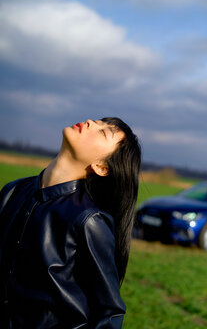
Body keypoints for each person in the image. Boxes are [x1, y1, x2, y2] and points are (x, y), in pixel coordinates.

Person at [0, 117, 141, 329]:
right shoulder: (12, 191)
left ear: (101, 167)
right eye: (98, 121)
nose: (91, 122)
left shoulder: (89, 220)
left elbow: (109, 314)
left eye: (103, 132)